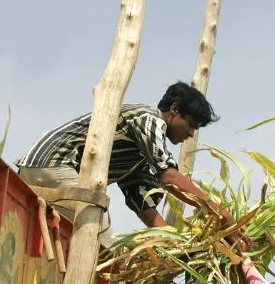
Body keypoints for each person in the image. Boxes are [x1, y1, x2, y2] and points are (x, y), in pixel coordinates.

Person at [16, 81, 229, 246]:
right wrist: (218, 212)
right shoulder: (148, 119)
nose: (191, 133)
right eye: (191, 124)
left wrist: (173, 243)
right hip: (54, 162)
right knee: (102, 240)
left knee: (85, 236)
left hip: (41, 171)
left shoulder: (141, 154)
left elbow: (142, 202)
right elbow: (169, 177)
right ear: (174, 110)